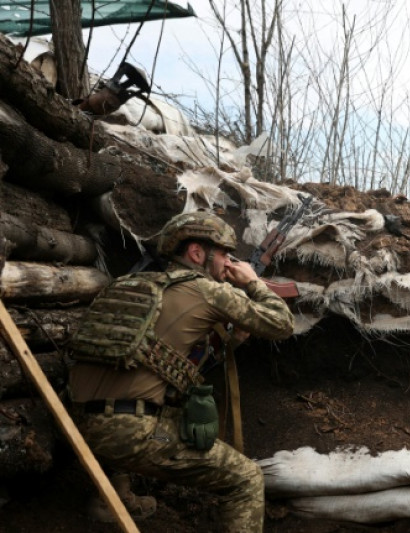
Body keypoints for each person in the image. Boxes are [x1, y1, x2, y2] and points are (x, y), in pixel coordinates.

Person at [66, 211, 295, 531]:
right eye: (225, 254)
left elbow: (165, 365)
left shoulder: (128, 285)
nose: (230, 263)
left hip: (76, 423)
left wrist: (230, 343)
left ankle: (110, 499)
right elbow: (282, 323)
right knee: (247, 479)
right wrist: (252, 282)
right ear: (197, 253)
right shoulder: (207, 290)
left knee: (169, 415)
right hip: (133, 434)